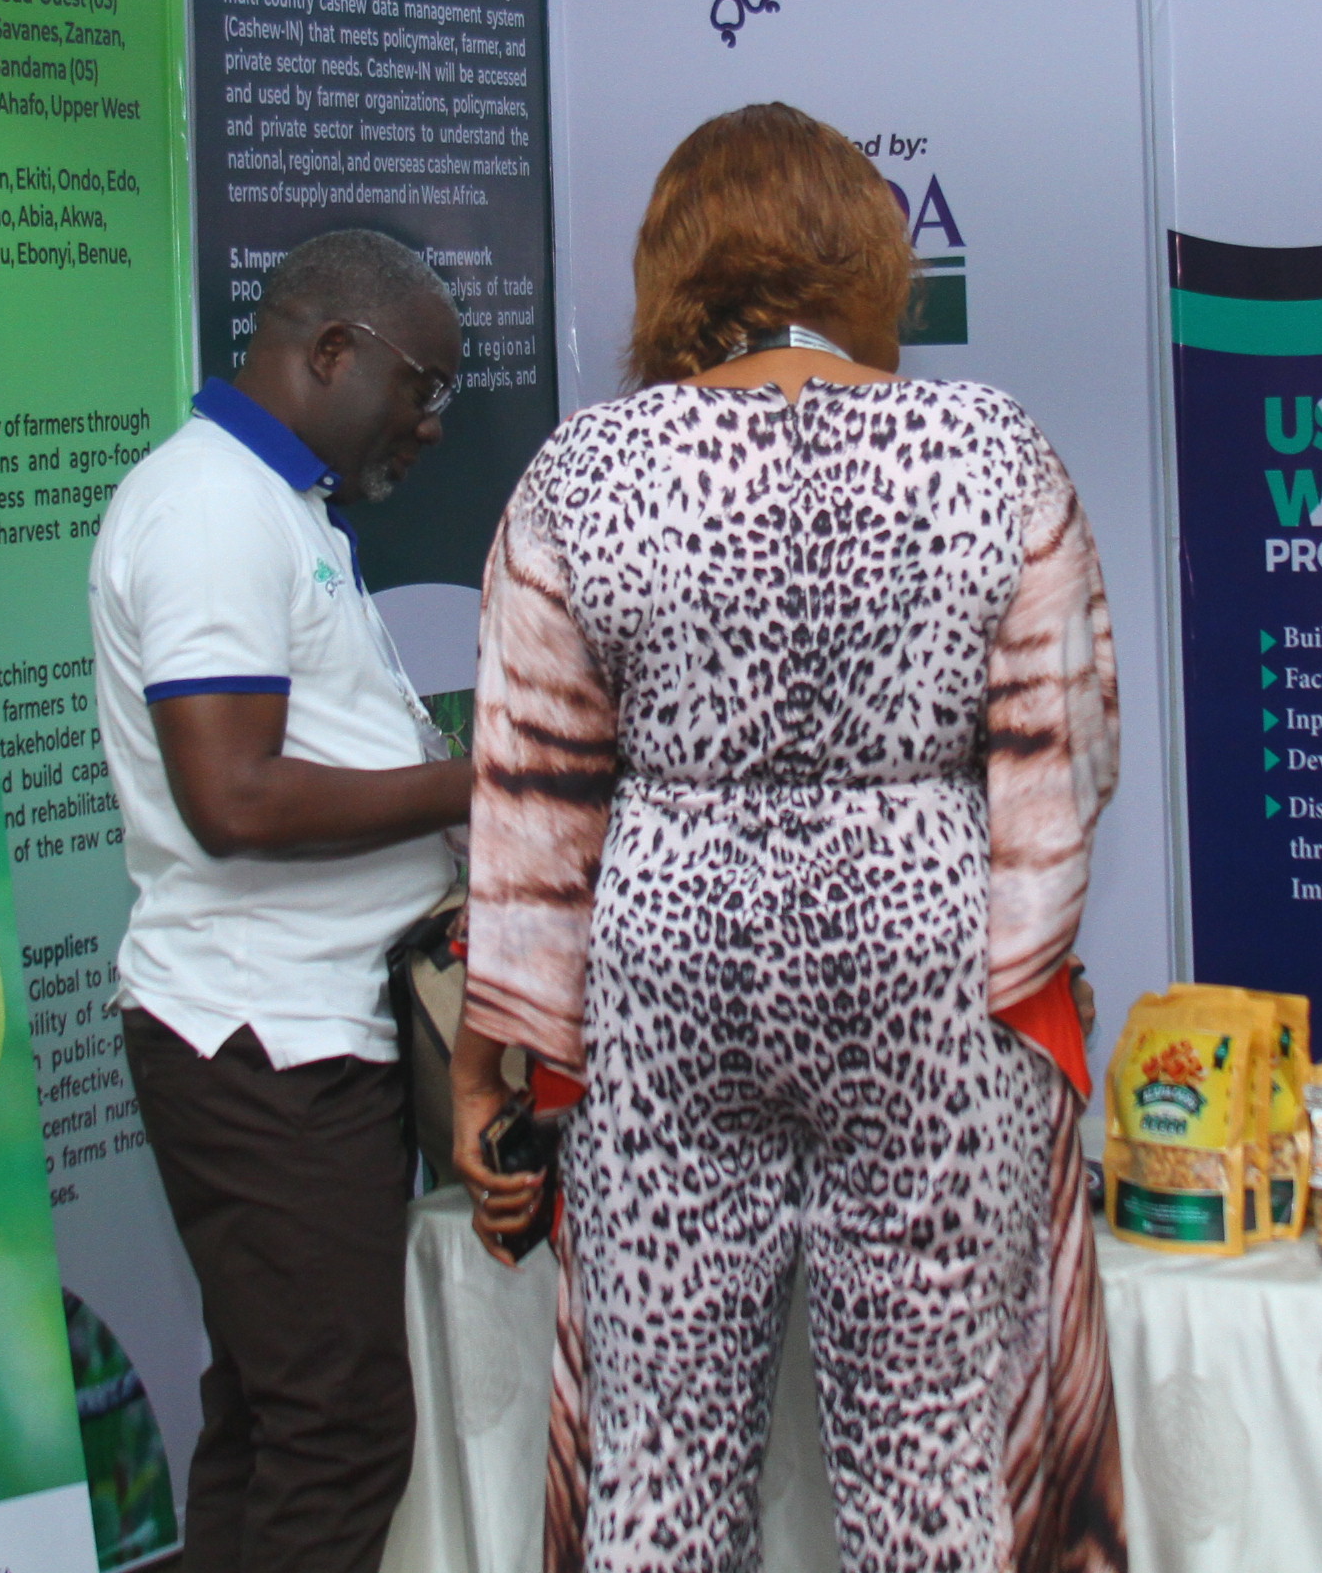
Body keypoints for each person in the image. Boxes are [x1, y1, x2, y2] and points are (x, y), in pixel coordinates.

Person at [454, 102, 1126, 1573]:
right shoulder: (989, 447)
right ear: (869, 259)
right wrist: (1019, 964)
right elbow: (1068, 752)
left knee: (656, 1460)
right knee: (935, 1463)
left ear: (672, 267)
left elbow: (528, 801)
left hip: (669, 963)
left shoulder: (584, 470)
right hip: (927, 960)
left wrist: (484, 1066)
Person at [89, 227, 473, 1573]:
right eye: (424, 387)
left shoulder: (277, 503)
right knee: (339, 1435)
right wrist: (480, 783)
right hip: (261, 1045)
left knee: (268, 1422)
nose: (432, 425)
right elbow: (234, 797)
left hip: (301, 1033)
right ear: (333, 351)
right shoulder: (209, 508)